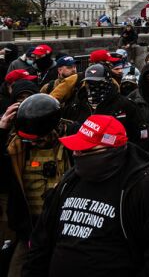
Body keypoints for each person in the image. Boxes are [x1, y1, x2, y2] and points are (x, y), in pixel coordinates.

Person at [23, 115, 149, 276]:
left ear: (111, 149)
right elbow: (42, 239)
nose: (76, 154)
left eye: (85, 149)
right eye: (76, 148)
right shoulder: (70, 180)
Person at [0, 94, 76, 275]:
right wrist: (1, 130)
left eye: (36, 138)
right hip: (30, 230)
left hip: (65, 230)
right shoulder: (15, 146)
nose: (32, 142)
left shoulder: (72, 139)